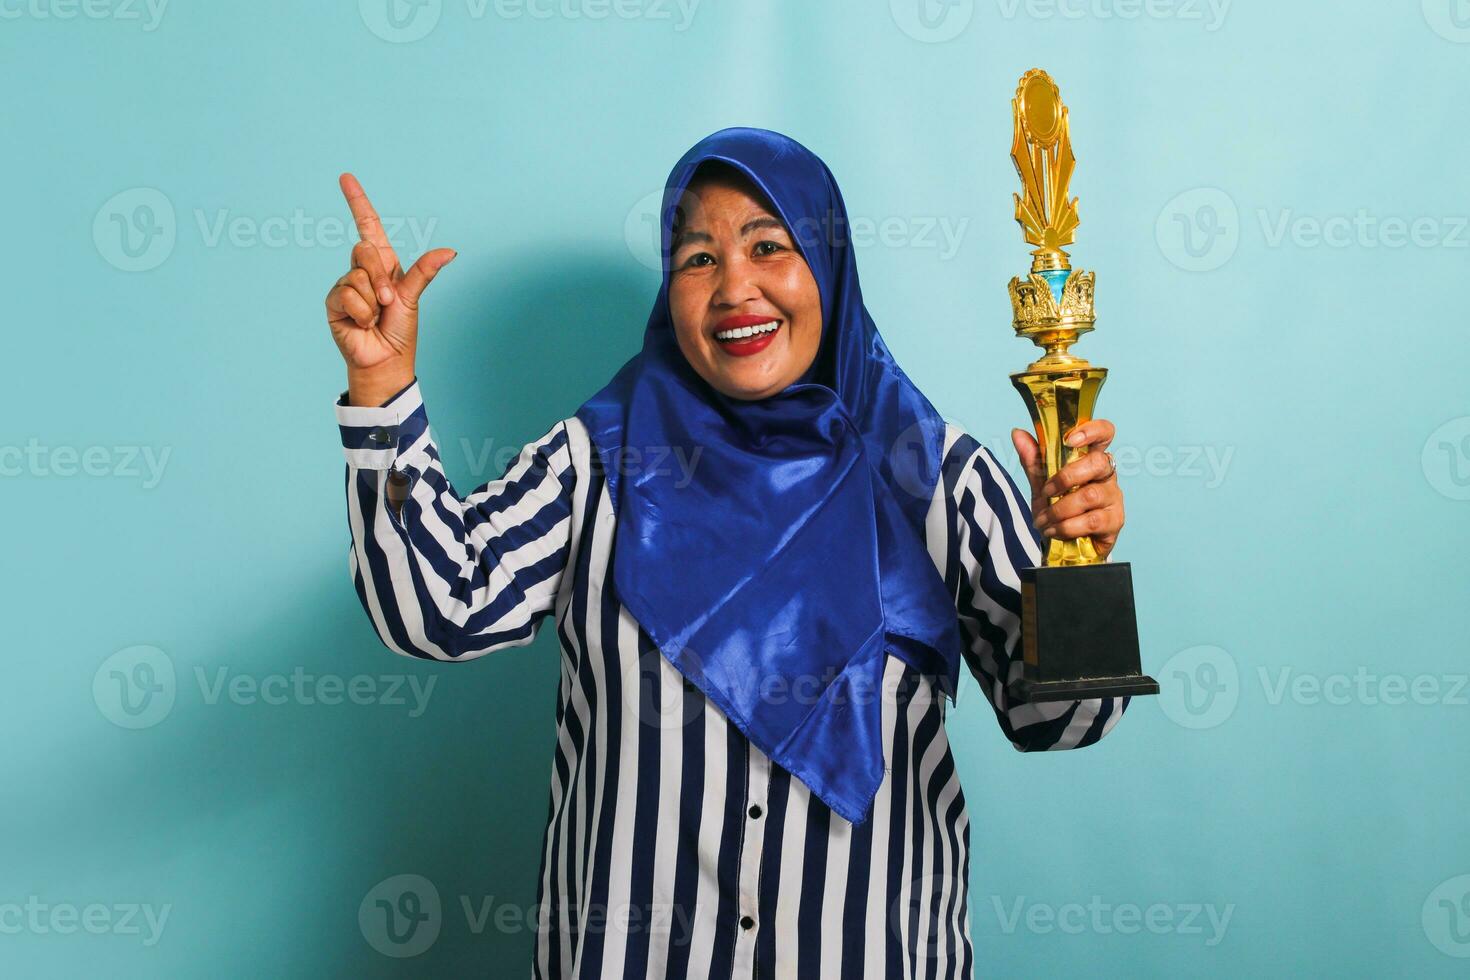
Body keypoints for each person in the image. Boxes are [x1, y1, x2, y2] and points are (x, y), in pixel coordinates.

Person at [325, 127, 1131, 979]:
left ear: (829, 264)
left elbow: (1065, 720)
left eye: (769, 246)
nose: (735, 289)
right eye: (698, 258)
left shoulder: (933, 474)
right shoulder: (598, 463)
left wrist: (1077, 562)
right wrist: (382, 398)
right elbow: (436, 608)